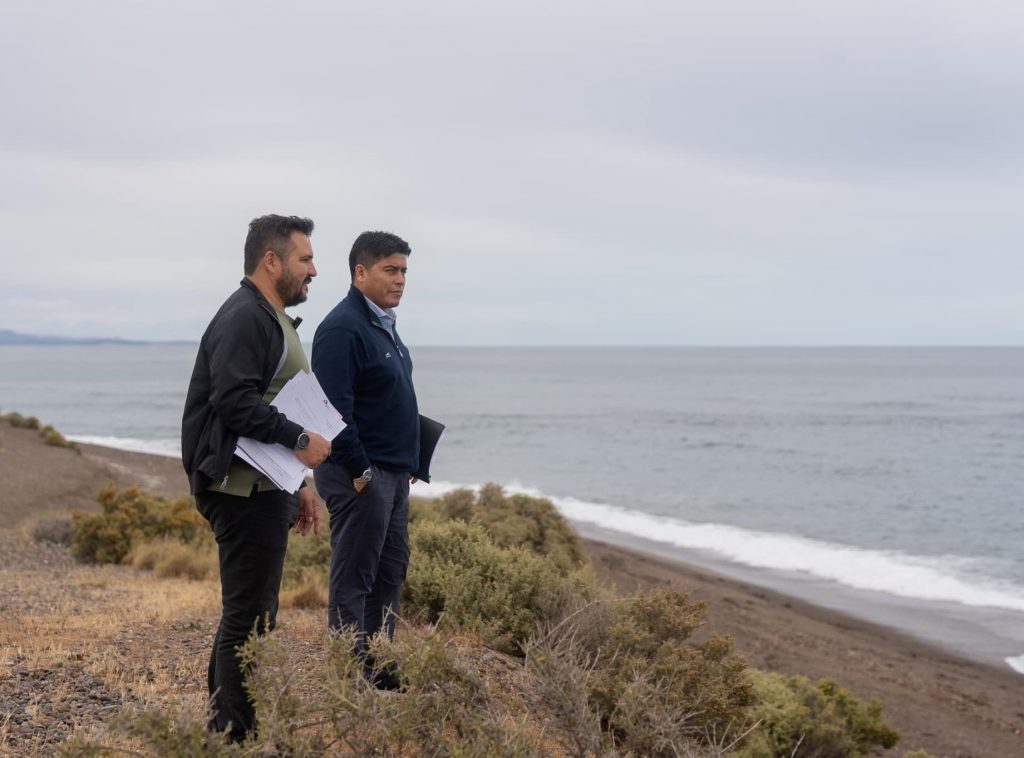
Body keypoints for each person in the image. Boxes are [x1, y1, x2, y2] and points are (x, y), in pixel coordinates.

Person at [181, 214, 332, 741]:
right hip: (238, 489)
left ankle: (224, 731)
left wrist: (300, 483)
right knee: (249, 620)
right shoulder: (246, 315)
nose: (314, 270)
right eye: (305, 259)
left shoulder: (270, 316)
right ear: (272, 261)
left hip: (266, 485)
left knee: (248, 615)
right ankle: (234, 739)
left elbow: (271, 400)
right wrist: (298, 440)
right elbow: (235, 401)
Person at [311, 230, 419, 688]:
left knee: (390, 570)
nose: (400, 281)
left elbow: (385, 399)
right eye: (390, 271)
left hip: (391, 474)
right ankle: (347, 673)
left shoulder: (383, 324)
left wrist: (408, 460)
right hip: (361, 474)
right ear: (360, 272)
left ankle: (377, 665)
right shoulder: (342, 328)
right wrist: (360, 470)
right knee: (355, 575)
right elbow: (334, 409)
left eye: (404, 272)